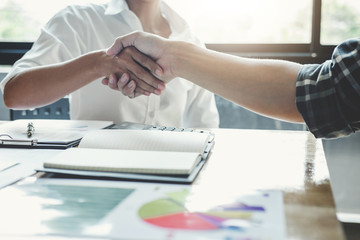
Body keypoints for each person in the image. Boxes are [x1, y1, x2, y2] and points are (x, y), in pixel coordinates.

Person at [0, 0, 219, 128]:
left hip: (170, 185)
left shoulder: (191, 42)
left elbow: (205, 130)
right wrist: (98, 63)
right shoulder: (78, 20)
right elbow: (14, 93)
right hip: (93, 180)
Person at [105, 31, 360, 139]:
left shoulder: (186, 31)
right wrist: (175, 58)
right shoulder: (80, 19)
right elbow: (328, 91)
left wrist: (175, 58)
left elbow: (328, 93)